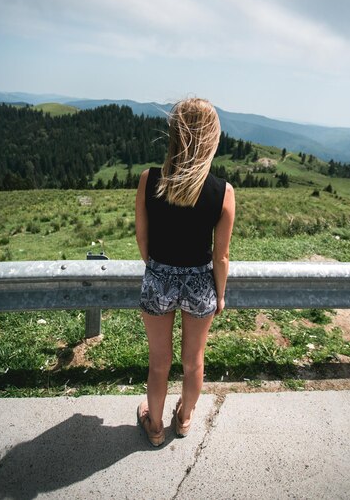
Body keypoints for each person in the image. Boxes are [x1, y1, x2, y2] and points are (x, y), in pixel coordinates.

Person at [135, 97, 235, 447]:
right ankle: (186, 417)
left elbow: (143, 240)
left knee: (158, 362)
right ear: (211, 138)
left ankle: (156, 425)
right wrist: (219, 294)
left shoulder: (149, 180)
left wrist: (157, 270)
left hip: (159, 276)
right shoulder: (223, 192)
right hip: (199, 282)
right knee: (193, 361)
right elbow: (221, 257)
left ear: (175, 133)